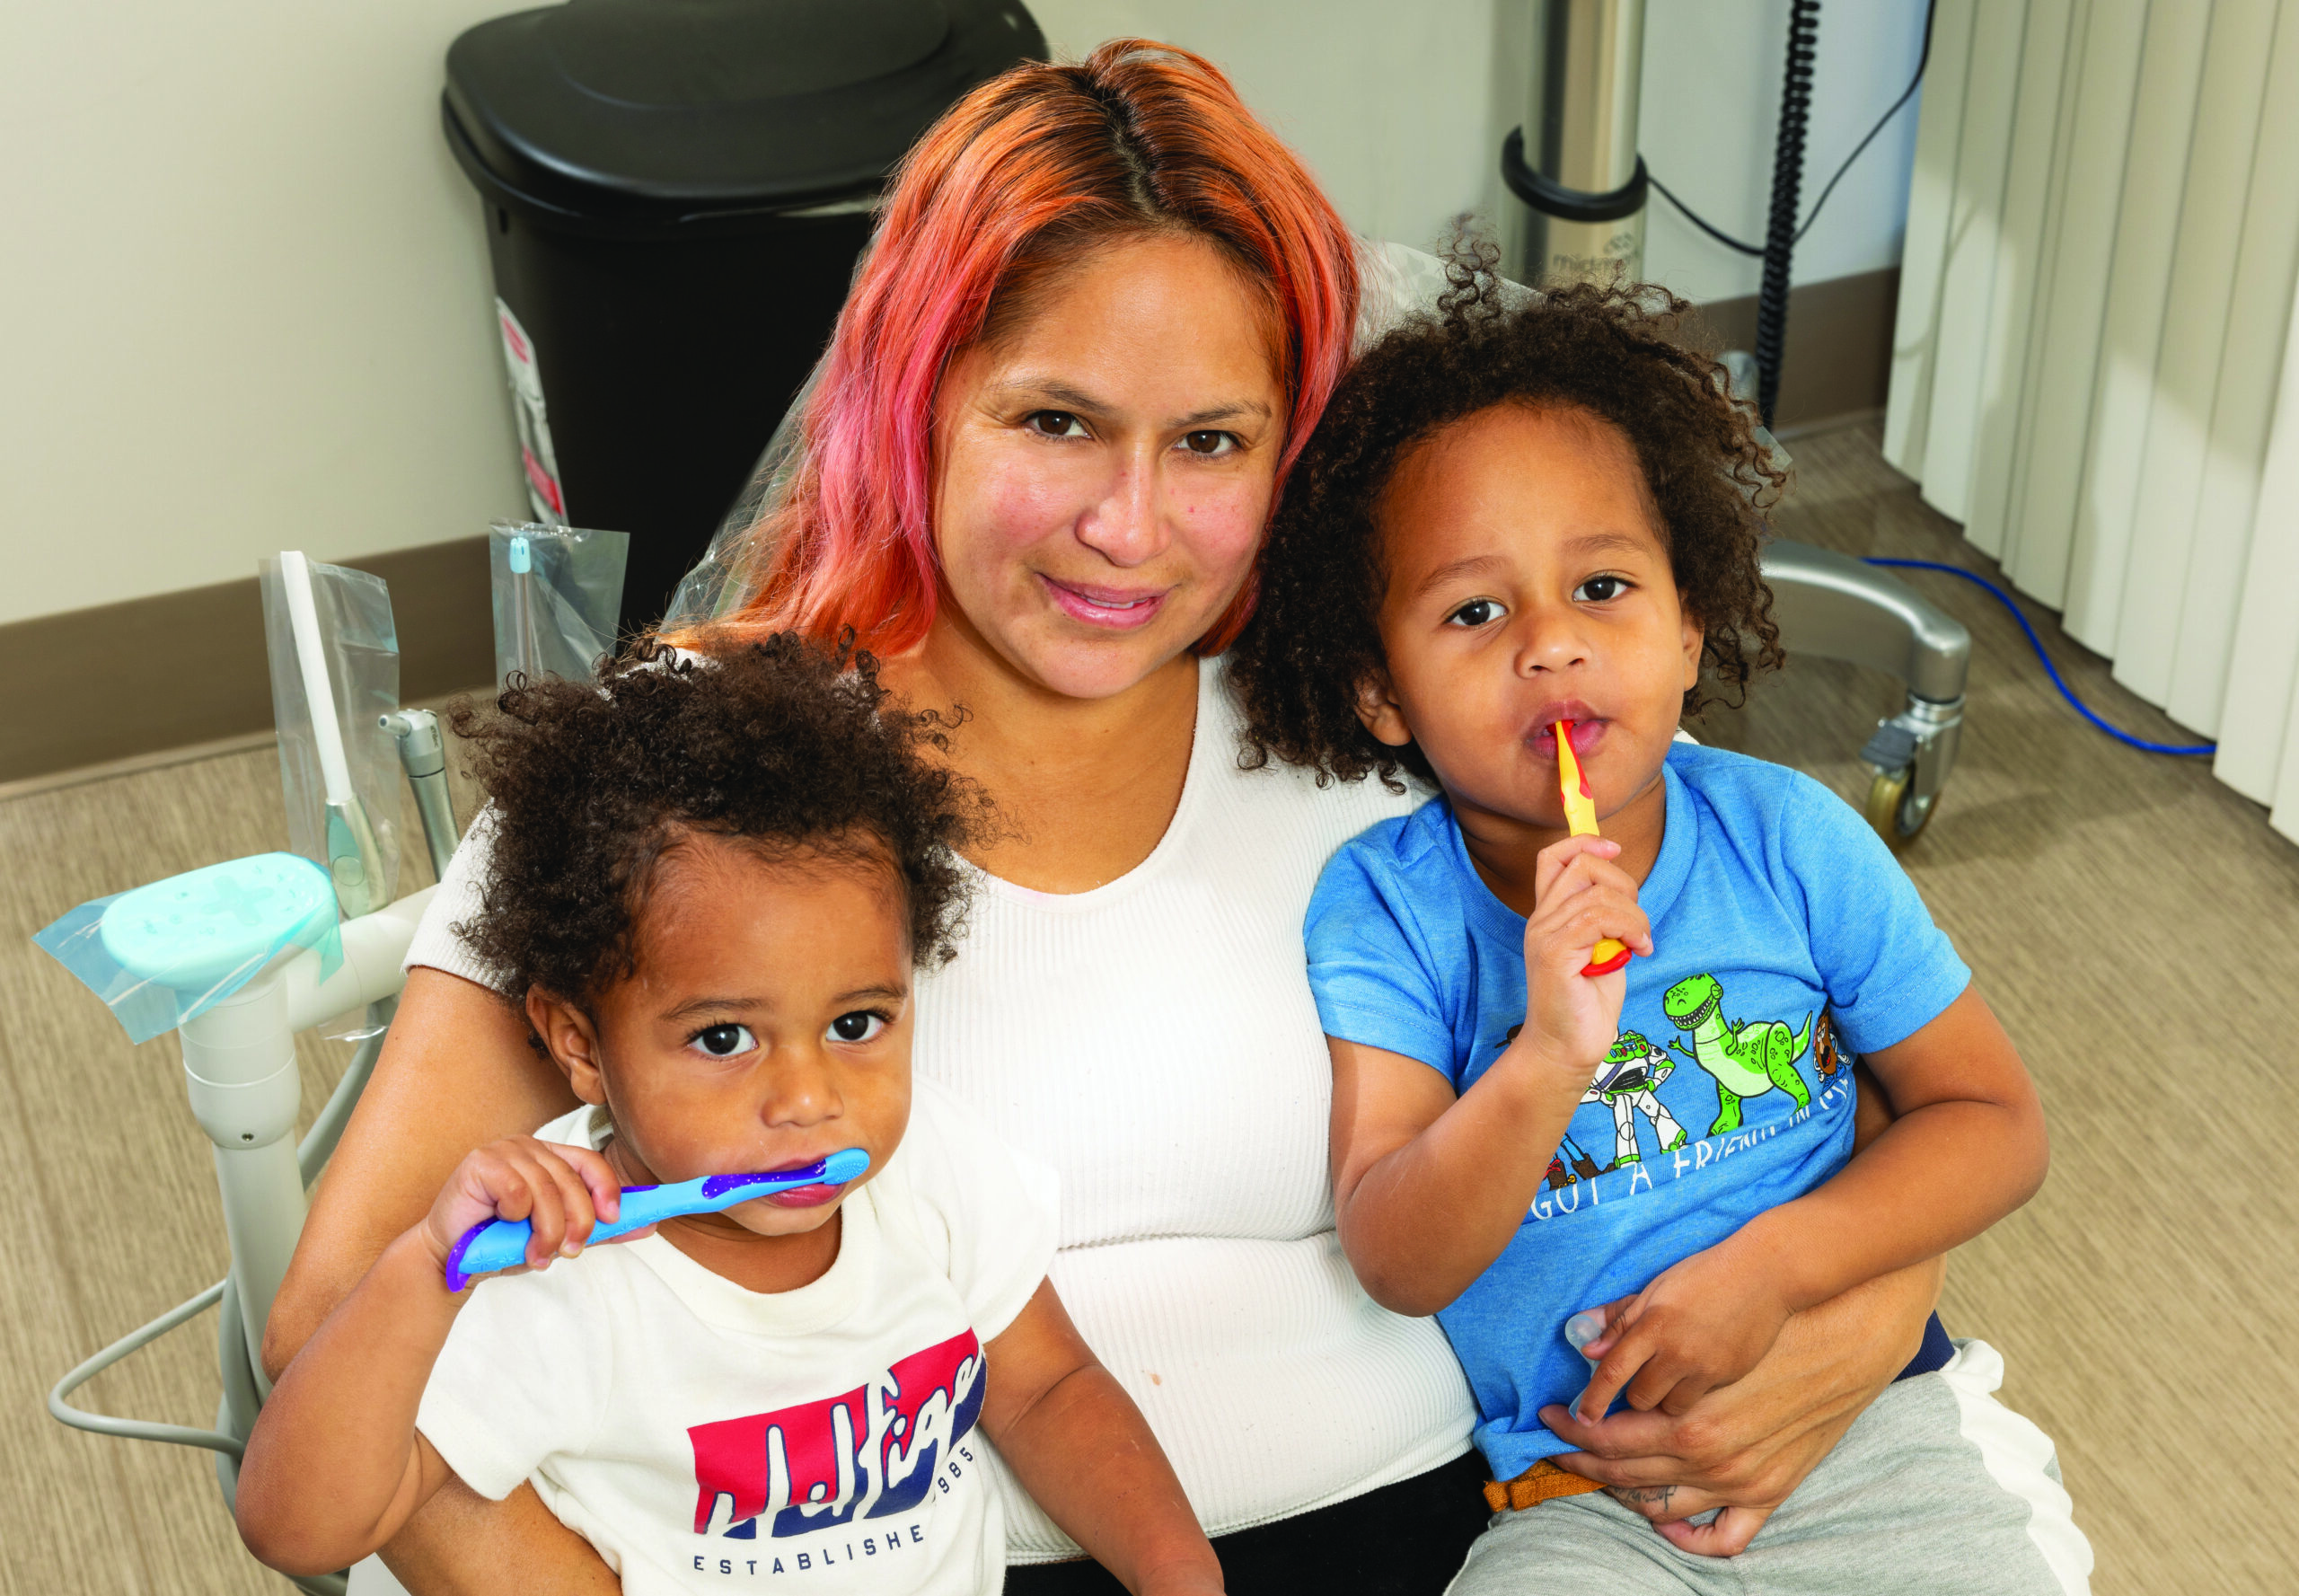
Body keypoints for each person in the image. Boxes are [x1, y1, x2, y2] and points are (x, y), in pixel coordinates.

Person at [268, 43, 1957, 1595]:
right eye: (1056, 421)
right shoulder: (697, 783)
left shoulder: (1377, 724)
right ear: (913, 397)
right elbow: (330, 1337)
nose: (1127, 531)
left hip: (1501, 1532)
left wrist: (1864, 1327)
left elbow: (1849, 1083)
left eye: (1209, 441)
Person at [1227, 269, 2093, 1592]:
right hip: (1581, 1504)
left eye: (1605, 587)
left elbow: (1993, 1124)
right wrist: (1548, 1054)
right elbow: (1398, 1255)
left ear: (1690, 627)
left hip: (1877, 1438)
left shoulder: (1789, 838)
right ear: (1379, 691)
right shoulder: (1386, 905)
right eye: (1474, 612)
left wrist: (1776, 1267)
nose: (1550, 647)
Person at [235, 638, 1223, 1594]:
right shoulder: (546, 1274)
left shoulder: (928, 1169)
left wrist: (1177, 1570)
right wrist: (420, 1270)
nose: (808, 1100)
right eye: (722, 1040)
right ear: (579, 1045)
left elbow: (1048, 1388)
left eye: (856, 1022)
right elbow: (297, 1525)